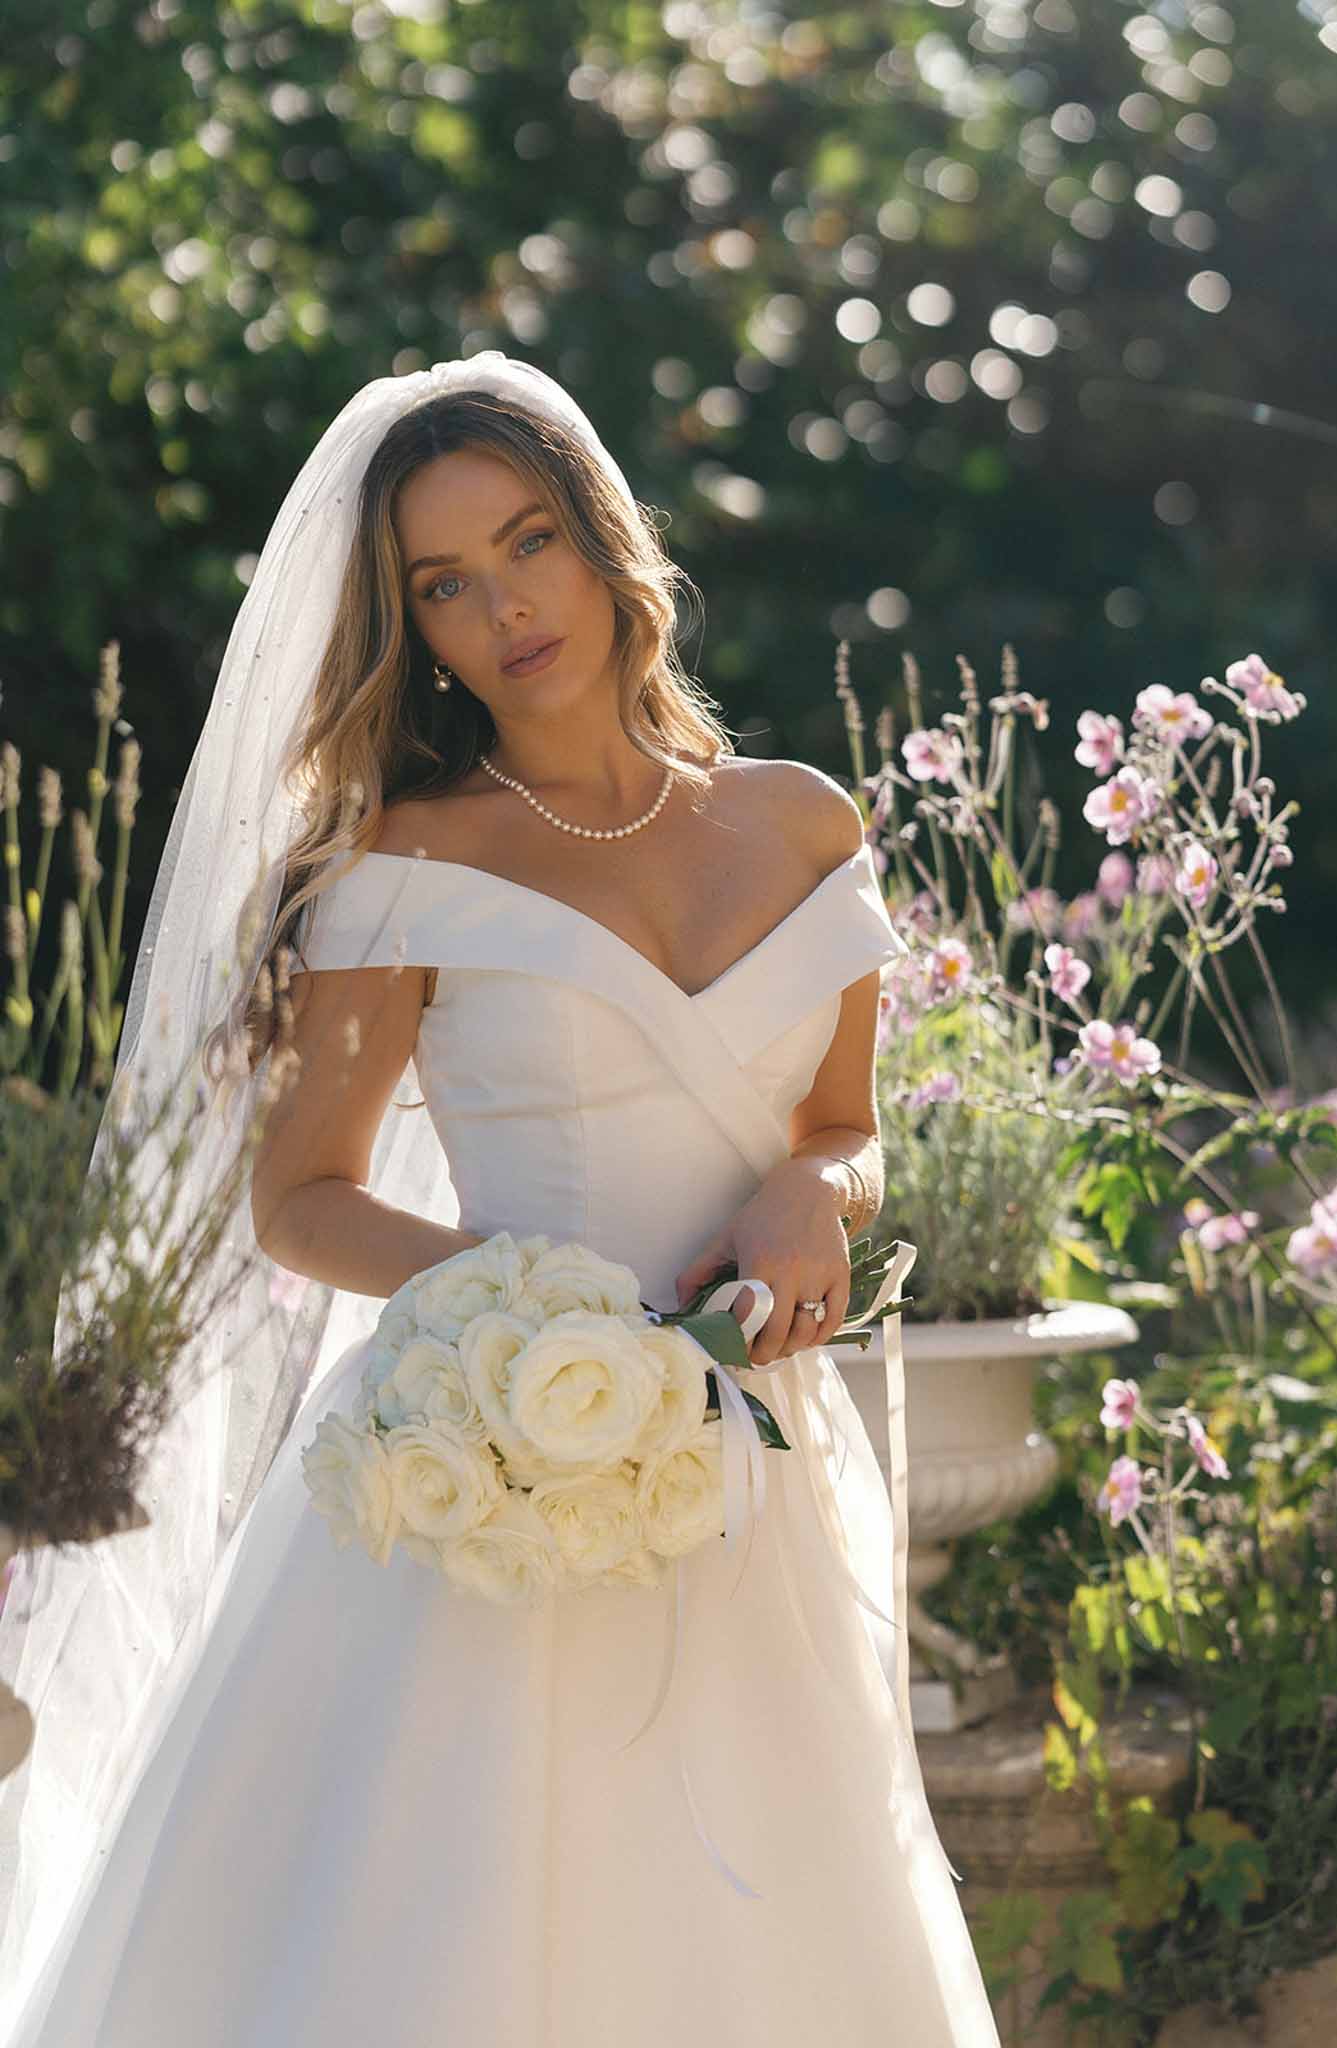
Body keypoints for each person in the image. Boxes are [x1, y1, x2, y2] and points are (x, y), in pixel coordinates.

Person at [0, 356, 1001, 2044]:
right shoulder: (406, 861)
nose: (502, 606)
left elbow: (843, 1120)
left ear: (605, 539)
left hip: (751, 1465)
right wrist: (517, 1304)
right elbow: (305, 1201)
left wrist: (812, 1195)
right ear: (414, 632)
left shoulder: (800, 823)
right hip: (485, 1459)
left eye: (526, 543)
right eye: (442, 587)